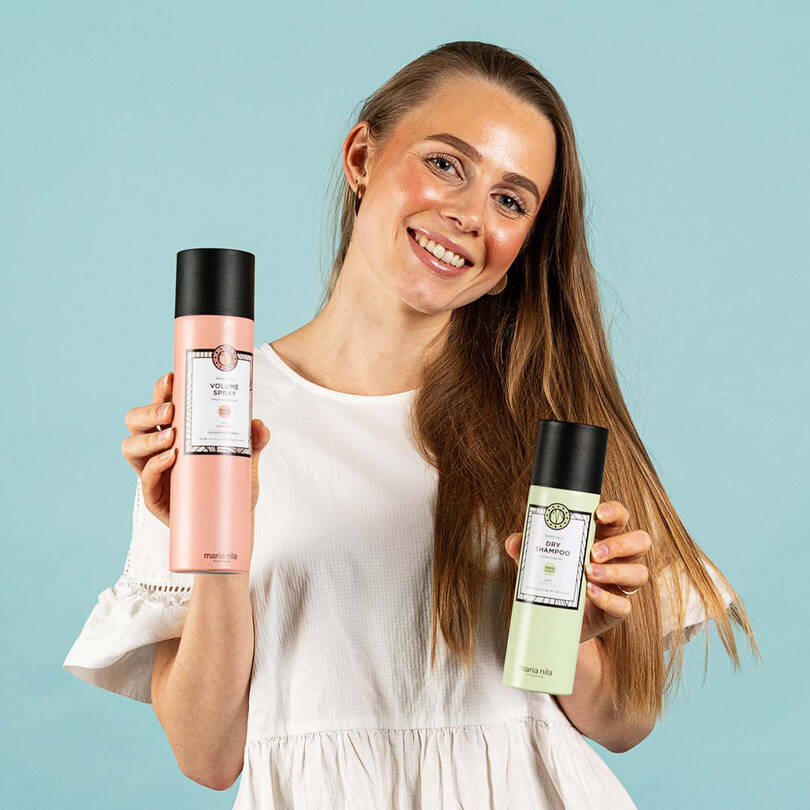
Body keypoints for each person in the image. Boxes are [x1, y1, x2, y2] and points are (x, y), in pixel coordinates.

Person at [63, 40, 760, 809]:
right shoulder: (218, 410)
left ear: (526, 242)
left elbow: (625, 725)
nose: (468, 214)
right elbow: (208, 754)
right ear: (362, 157)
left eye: (511, 200)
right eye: (446, 164)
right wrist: (222, 547)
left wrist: (570, 635)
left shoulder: (546, 420)